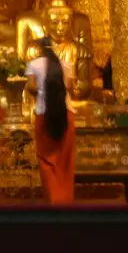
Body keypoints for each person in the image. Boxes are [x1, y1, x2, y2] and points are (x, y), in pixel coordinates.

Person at [25, 42, 76, 203]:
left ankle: (53, 200)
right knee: (65, 161)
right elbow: (71, 88)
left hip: (43, 114)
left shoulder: (33, 64)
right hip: (66, 114)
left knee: (46, 160)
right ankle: (66, 199)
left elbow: (32, 87)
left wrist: (39, 90)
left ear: (39, 50)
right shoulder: (66, 64)